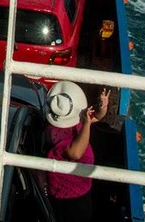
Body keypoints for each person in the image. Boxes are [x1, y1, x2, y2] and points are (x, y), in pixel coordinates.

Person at [44, 81, 110, 222]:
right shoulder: (55, 133)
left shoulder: (74, 120)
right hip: (68, 197)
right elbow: (75, 153)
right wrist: (86, 124)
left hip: (80, 190)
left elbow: (97, 116)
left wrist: (102, 107)